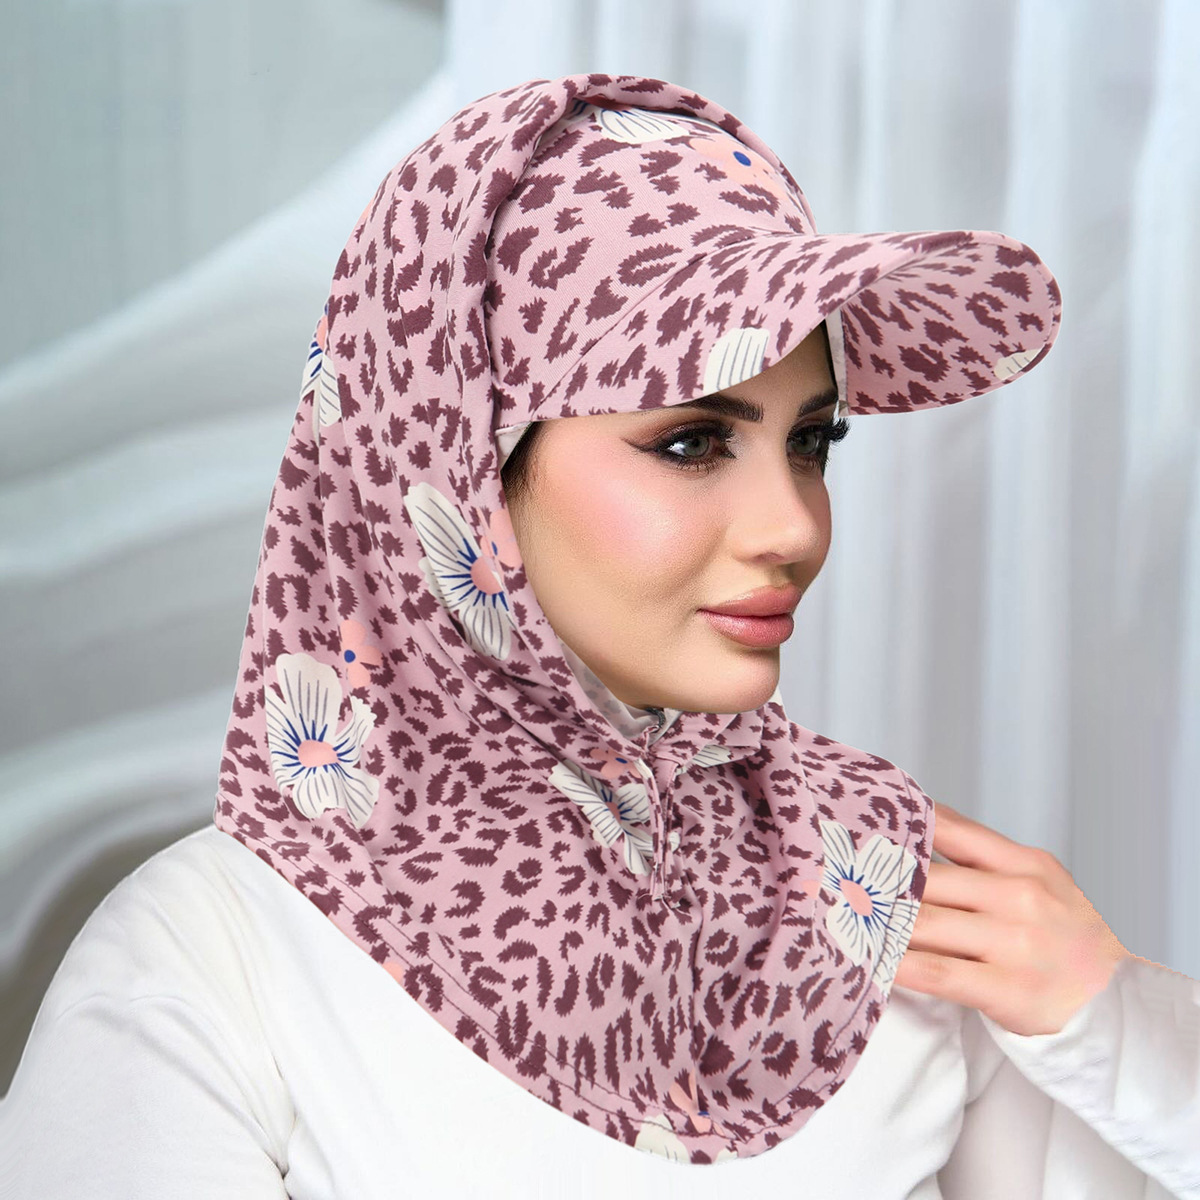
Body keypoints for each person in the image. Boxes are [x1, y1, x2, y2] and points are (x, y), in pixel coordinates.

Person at [2, 73, 1197, 1198]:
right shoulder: (214, 959)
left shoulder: (889, 899)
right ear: (462, 468)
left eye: (811, 442)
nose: (793, 525)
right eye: (691, 442)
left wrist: (1114, 1022)